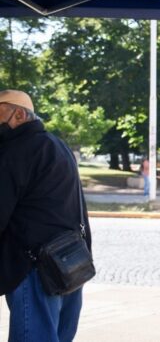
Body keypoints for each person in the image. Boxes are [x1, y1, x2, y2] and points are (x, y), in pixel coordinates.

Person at [0, 89, 92, 341]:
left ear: (18, 114)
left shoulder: (15, 151)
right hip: (70, 263)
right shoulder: (57, 144)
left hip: (34, 268)